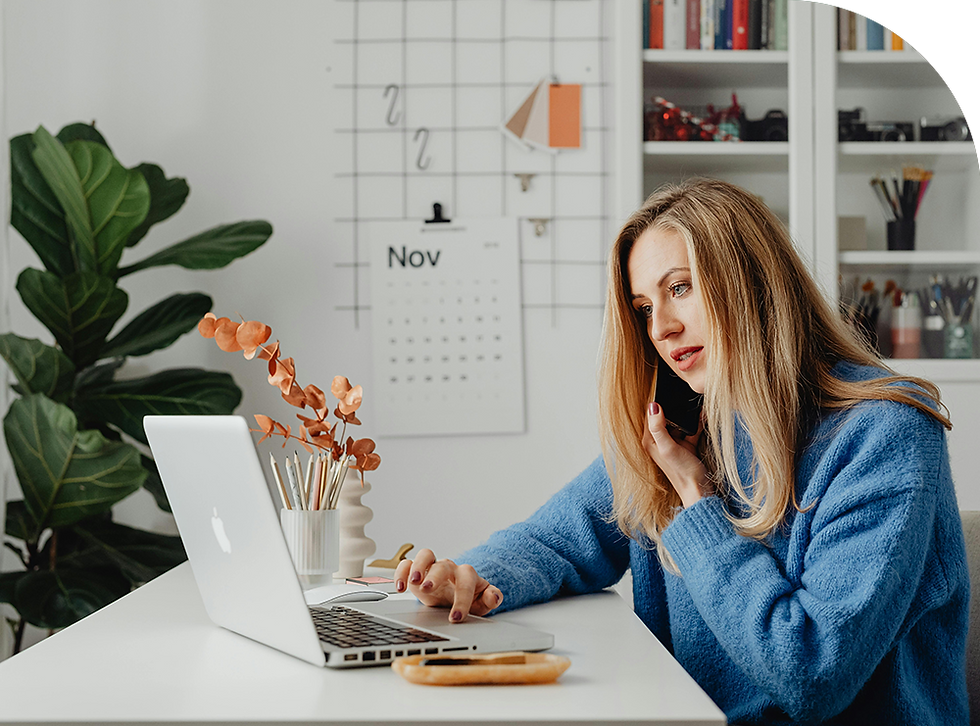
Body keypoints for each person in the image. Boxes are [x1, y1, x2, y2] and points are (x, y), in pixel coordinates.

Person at [392, 177, 970, 725]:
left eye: (679, 287)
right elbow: (558, 540)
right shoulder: (689, 426)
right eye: (644, 308)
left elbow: (811, 672)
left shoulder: (886, 436)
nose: (661, 328)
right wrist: (467, 576)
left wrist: (696, 503)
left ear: (754, 283)